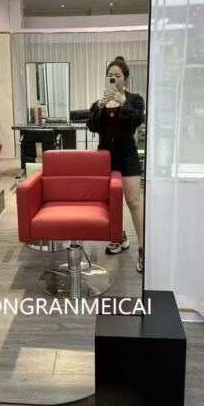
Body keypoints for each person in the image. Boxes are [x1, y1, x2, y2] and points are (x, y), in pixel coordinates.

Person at [87, 56, 145, 273]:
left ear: (126, 80)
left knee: (134, 201)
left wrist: (122, 102)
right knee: (111, 201)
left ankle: (143, 250)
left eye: (118, 76)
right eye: (110, 76)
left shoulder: (135, 100)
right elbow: (92, 126)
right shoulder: (99, 103)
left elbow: (138, 119)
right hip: (105, 157)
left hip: (127, 154)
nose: (114, 79)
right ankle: (119, 237)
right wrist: (100, 107)